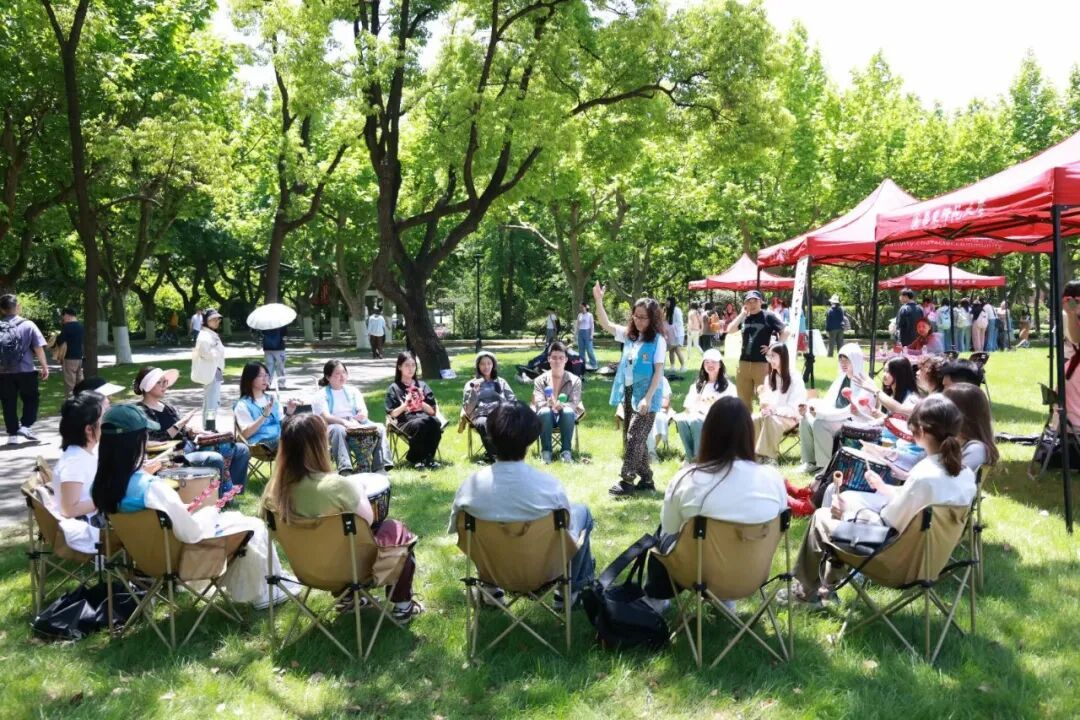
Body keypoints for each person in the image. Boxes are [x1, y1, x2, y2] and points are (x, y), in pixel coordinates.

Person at [787, 395, 977, 607]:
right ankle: (827, 587)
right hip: (932, 563)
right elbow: (914, 511)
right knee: (848, 511)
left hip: (897, 564)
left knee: (823, 517)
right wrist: (882, 489)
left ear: (922, 432)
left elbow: (889, 521)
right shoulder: (966, 476)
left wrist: (850, 514)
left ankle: (806, 593)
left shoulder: (924, 475)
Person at [91, 404, 283, 608]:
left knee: (238, 520)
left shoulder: (100, 487)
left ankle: (254, 589)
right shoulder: (151, 488)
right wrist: (209, 512)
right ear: (137, 442)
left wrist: (181, 511)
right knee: (254, 525)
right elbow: (191, 534)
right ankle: (267, 593)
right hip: (183, 560)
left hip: (145, 561)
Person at [263, 413, 423, 621]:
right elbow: (368, 519)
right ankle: (402, 605)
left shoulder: (273, 491)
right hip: (352, 571)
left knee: (334, 539)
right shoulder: (336, 486)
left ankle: (349, 599)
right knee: (395, 529)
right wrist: (358, 489)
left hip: (307, 570)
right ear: (318, 446)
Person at [450, 401, 595, 608]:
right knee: (583, 512)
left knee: (481, 533)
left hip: (495, 570)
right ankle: (569, 592)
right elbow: (568, 529)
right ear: (530, 439)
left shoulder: (470, 488)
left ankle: (490, 592)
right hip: (545, 571)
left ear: (491, 436)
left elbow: (460, 534)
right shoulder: (549, 486)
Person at [650, 397, 787, 593]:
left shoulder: (688, 479)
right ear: (750, 434)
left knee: (662, 533)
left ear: (708, 433)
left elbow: (670, 527)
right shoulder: (772, 478)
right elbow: (781, 524)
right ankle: (725, 600)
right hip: (752, 574)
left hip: (699, 575)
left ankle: (656, 599)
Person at [593, 283, 666, 496]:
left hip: (647, 395)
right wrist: (598, 300)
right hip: (629, 392)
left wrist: (648, 398)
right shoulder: (629, 336)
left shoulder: (659, 341)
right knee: (634, 437)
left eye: (644, 317)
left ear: (653, 319)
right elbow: (605, 324)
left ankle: (627, 481)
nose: (639, 321)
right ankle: (647, 479)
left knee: (635, 435)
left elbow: (658, 372)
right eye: (636, 316)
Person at [134, 365, 250, 497]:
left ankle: (232, 493)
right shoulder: (140, 411)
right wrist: (180, 424)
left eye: (165, 382)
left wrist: (197, 432)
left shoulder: (168, 407)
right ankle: (222, 496)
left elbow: (184, 431)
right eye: (159, 382)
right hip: (172, 455)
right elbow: (154, 439)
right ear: (147, 386)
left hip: (191, 446)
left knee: (241, 449)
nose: (164, 386)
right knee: (215, 457)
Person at [798, 343, 877, 474]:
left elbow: (850, 412)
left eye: (847, 360)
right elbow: (828, 402)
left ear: (856, 360)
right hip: (835, 417)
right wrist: (811, 406)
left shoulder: (865, 382)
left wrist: (821, 415)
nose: (843, 363)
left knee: (820, 424)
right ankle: (810, 462)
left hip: (853, 422)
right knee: (805, 418)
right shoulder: (841, 377)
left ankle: (825, 466)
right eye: (841, 359)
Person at [313, 360, 392, 474]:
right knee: (339, 430)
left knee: (380, 427)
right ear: (328, 377)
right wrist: (344, 423)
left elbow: (363, 410)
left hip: (355, 423)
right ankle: (345, 469)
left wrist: (362, 415)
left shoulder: (353, 391)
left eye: (344, 372)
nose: (342, 376)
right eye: (337, 374)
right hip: (333, 426)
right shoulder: (321, 395)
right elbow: (326, 417)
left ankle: (380, 467)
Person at [723, 290, 789, 411]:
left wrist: (773, 348)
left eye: (755, 301)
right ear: (745, 304)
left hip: (761, 364)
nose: (752, 304)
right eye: (749, 301)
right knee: (743, 400)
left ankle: (764, 421)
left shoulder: (768, 316)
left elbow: (785, 331)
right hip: (743, 364)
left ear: (761, 302)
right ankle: (746, 422)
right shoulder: (745, 318)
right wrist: (742, 315)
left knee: (765, 399)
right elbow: (730, 329)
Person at [0, 293, 49, 443]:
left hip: (3, 372)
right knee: (31, 398)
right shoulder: (28, 325)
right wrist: (44, 366)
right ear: (18, 307)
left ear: (2, 310)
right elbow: (38, 348)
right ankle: (26, 426)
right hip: (26, 370)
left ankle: (12, 435)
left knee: (8, 402)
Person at [674, 349, 735, 462]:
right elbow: (687, 407)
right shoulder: (698, 385)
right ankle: (690, 457)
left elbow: (732, 409)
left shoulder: (728, 386)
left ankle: (700, 458)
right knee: (681, 420)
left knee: (696, 421)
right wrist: (693, 407)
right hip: (697, 415)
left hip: (718, 419)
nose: (710, 365)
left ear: (720, 365)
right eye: (707, 362)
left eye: (713, 362)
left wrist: (715, 405)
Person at [53, 391, 105, 524]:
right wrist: (108, 498)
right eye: (104, 419)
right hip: (87, 531)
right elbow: (69, 509)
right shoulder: (75, 462)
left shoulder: (84, 453)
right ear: (89, 429)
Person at [385, 352, 443, 468]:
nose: (411, 368)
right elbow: (393, 414)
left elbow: (432, 411)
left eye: (413, 365)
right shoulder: (394, 388)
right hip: (405, 422)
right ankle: (417, 458)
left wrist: (420, 402)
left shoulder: (422, 385)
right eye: (407, 365)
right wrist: (406, 404)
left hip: (424, 418)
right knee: (421, 424)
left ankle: (427, 458)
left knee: (435, 422)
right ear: (399, 367)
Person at [530, 342, 584, 464]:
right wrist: (547, 404)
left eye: (561, 358)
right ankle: (546, 452)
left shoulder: (575, 380)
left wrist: (562, 406)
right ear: (549, 359)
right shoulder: (540, 380)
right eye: (554, 358)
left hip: (565, 416)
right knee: (544, 412)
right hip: (546, 416)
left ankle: (566, 451)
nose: (557, 361)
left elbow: (574, 402)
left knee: (568, 411)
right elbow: (538, 402)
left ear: (566, 360)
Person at [753, 342, 807, 461]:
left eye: (773, 356)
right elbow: (767, 401)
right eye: (769, 356)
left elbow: (795, 408)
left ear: (783, 357)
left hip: (791, 418)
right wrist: (765, 407)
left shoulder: (795, 378)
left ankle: (768, 457)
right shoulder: (769, 378)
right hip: (772, 415)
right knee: (754, 418)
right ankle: (752, 455)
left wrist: (773, 410)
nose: (770, 360)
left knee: (770, 420)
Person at [234, 361, 300, 456]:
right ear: (250, 379)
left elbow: (281, 425)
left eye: (266, 375)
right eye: (260, 376)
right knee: (298, 440)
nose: (265, 379)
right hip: (261, 445)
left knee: (305, 433)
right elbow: (245, 434)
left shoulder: (272, 399)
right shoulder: (242, 405)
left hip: (279, 439)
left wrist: (289, 412)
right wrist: (264, 416)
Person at [463, 351, 516, 461]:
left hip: (500, 413)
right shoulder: (471, 384)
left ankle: (506, 454)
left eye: (489, 363)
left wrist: (501, 399)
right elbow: (467, 410)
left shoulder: (501, 382)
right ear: (478, 366)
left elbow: (513, 401)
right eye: (482, 364)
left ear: (493, 365)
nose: (486, 367)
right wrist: (474, 393)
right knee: (486, 424)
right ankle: (497, 457)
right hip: (480, 415)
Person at [191, 308, 226, 429]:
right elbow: (204, 352)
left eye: (218, 319)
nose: (217, 321)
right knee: (211, 402)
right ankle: (209, 427)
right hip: (211, 372)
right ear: (206, 321)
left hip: (216, 370)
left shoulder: (212, 334)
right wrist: (215, 351)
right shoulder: (204, 335)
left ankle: (209, 425)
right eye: (213, 319)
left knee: (213, 401)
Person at [54, 307, 85, 397]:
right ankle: (82, 399)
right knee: (80, 382)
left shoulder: (67, 327)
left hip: (69, 358)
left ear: (67, 315)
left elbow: (60, 341)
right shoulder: (81, 327)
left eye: (63, 316)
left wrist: (56, 338)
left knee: (70, 384)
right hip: (79, 357)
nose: (63, 318)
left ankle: (71, 402)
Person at [261, 324, 288, 389]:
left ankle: (267, 384)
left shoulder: (264, 324)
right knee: (280, 367)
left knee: (269, 367)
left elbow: (261, 335)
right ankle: (281, 384)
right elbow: (284, 336)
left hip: (267, 348)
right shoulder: (281, 323)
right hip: (279, 348)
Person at [574, 302, 598, 370]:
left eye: (582, 307)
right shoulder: (579, 315)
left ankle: (594, 364)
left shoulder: (590, 315)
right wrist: (575, 334)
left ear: (585, 307)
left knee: (589, 350)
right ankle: (582, 365)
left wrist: (591, 335)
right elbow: (577, 325)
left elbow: (592, 326)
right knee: (581, 350)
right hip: (580, 333)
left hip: (587, 332)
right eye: (580, 307)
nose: (581, 308)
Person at [665, 297, 686, 372]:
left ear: (671, 302)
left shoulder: (677, 310)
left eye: (667, 301)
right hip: (671, 334)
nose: (666, 303)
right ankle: (672, 366)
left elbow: (679, 322)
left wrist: (670, 327)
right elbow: (667, 322)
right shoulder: (668, 311)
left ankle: (683, 366)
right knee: (671, 350)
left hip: (677, 334)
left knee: (677, 349)